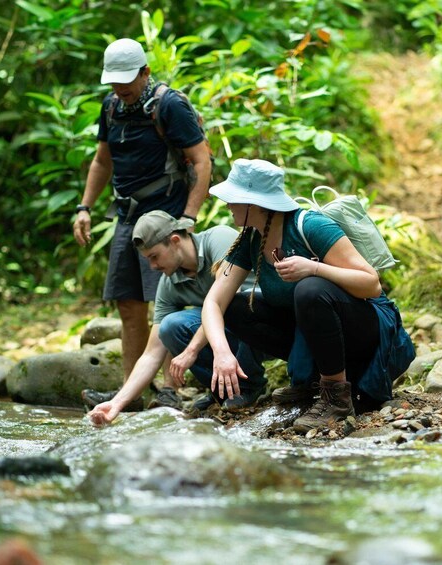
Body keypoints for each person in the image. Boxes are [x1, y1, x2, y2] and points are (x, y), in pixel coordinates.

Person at [201, 158, 415, 433]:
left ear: (253, 203)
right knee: (237, 307)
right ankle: (310, 383)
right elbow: (214, 302)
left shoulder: (309, 225)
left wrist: (313, 268)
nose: (227, 205)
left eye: (232, 199)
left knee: (310, 288)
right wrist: (222, 353)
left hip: (366, 329)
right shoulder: (252, 239)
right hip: (317, 332)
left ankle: (335, 397)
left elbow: (371, 284)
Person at [73, 38, 211, 408]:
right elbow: (103, 161)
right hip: (127, 219)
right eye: (114, 81)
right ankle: (129, 393)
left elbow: (201, 160)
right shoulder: (111, 107)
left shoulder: (170, 105)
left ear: (146, 72)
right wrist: (84, 207)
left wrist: (188, 218)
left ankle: (170, 390)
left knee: (166, 304)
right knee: (128, 303)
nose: (121, 88)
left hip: (165, 221)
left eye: (127, 80)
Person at [87, 211, 267, 426]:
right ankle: (224, 388)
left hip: (269, 325)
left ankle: (249, 385)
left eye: (154, 256)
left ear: (174, 241)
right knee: (170, 327)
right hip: (229, 333)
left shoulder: (219, 239)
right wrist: (116, 404)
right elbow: (152, 353)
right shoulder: (169, 282)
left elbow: (225, 301)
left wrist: (190, 351)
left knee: (240, 304)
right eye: (148, 260)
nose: (152, 266)